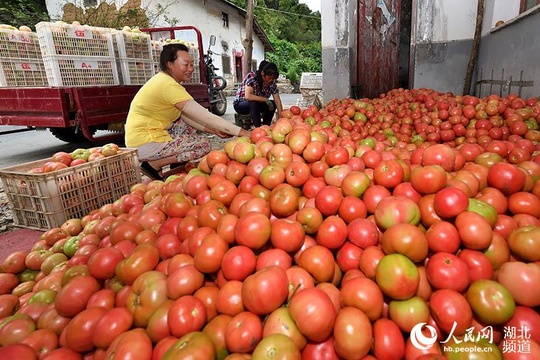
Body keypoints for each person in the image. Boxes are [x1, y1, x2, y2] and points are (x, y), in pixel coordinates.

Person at [125, 43, 250, 180]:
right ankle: (154, 164)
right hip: (145, 142)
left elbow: (187, 117)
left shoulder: (163, 80)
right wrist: (242, 132)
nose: (190, 69)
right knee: (203, 145)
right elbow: (206, 116)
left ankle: (174, 164)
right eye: (186, 64)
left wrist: (213, 130)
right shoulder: (168, 86)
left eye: (192, 64)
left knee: (184, 123)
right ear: (169, 64)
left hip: (143, 137)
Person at [233, 61, 283, 128]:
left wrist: (281, 118)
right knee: (253, 102)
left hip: (257, 105)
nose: (270, 80)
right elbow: (248, 96)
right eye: (269, 78)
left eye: (273, 78)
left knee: (273, 104)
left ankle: (266, 127)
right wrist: (265, 99)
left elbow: (277, 100)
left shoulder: (272, 82)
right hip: (241, 104)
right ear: (262, 73)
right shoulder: (252, 77)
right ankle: (258, 128)